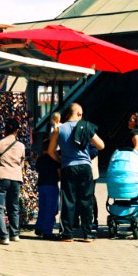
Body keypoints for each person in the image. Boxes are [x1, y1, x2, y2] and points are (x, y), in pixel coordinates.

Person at [48, 103, 105, 242]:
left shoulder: (59, 129)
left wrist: (61, 159)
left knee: (68, 200)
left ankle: (67, 234)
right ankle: (87, 233)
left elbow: (50, 151)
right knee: (86, 199)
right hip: (85, 167)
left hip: (68, 167)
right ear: (79, 113)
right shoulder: (86, 126)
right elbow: (101, 145)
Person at [0, 118, 26, 245]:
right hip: (16, 178)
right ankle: (14, 234)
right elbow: (22, 163)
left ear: (5, 129)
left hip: (1, 176)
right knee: (14, 207)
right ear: (17, 131)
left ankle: (3, 236)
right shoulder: (21, 146)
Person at [34, 139, 61, 240]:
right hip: (52, 185)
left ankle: (39, 227)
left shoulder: (40, 159)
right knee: (51, 209)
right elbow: (59, 172)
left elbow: (37, 169)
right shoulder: (54, 159)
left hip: (41, 185)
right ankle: (47, 231)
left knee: (43, 207)